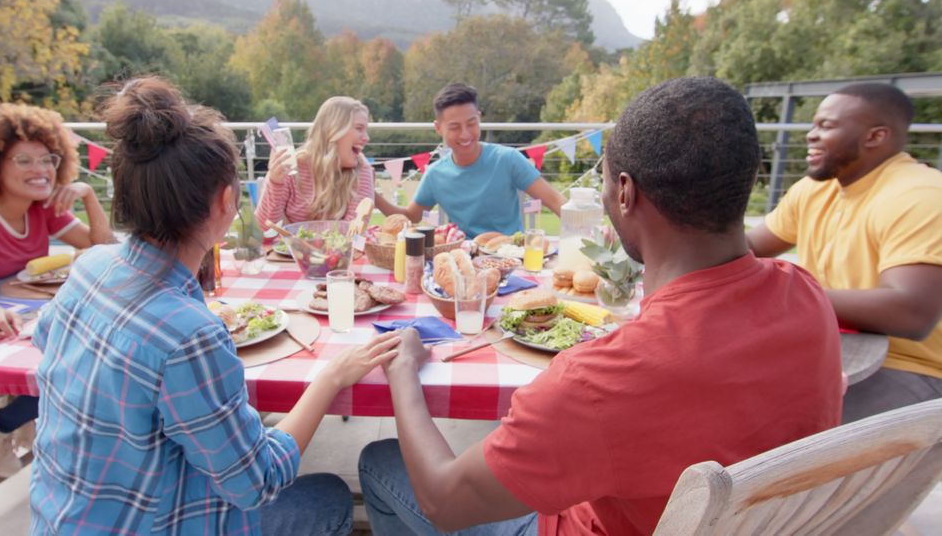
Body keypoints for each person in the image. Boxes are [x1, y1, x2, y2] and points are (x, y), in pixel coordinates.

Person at [358, 77, 844, 535]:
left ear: (626, 192)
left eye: (608, 180)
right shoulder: (807, 296)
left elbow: (444, 501)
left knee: (379, 462)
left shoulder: (596, 381)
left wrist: (403, 372)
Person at [29, 77, 402, 535]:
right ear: (226, 201)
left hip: (62, 521)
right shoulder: (190, 333)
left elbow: (43, 336)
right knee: (327, 494)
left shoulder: (90, 267)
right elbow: (258, 481)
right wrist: (329, 379)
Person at [0, 103, 113, 477]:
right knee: (78, 369)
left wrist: (89, 197)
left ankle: (8, 424)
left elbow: (103, 252)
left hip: (21, 330)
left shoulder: (40, 208)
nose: (41, 170)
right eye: (24, 161)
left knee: (98, 355)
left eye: (47, 159)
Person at [747, 83, 942, 423]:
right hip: (829, 352)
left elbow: (911, 313)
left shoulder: (920, 195)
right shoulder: (815, 189)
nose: (811, 135)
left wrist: (787, 291)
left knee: (775, 432)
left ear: (875, 136)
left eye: (826, 126)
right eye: (813, 124)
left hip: (909, 368)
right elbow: (747, 248)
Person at [375, 83, 566, 238]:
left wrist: (582, 234)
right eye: (455, 127)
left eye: (471, 124)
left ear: (479, 118)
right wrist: (372, 196)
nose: (465, 134)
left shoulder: (507, 159)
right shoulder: (435, 174)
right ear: (438, 128)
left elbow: (555, 200)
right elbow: (410, 217)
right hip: (463, 259)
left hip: (511, 257)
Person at [254, 96, 375, 229]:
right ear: (332, 131)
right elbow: (264, 229)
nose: (366, 138)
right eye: (359, 128)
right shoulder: (291, 167)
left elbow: (354, 232)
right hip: (286, 250)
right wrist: (275, 183)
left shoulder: (362, 170)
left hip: (336, 250)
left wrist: (298, 235)